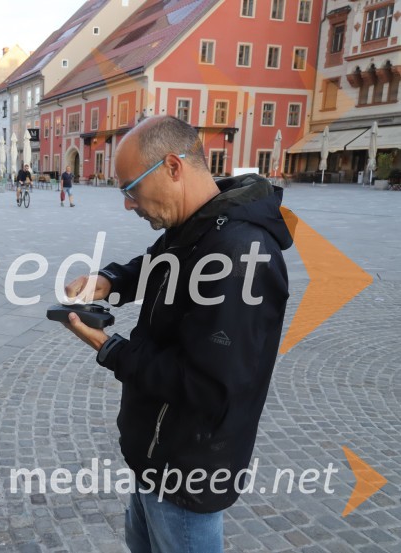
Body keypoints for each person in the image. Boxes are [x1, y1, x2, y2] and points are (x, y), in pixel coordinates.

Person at [62, 116, 292, 553]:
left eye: (130, 187)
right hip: (157, 458)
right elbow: (157, 264)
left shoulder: (241, 253)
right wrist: (110, 279)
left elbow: (209, 387)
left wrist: (109, 348)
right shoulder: (196, 224)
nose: (128, 204)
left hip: (189, 471)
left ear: (172, 166)